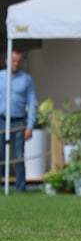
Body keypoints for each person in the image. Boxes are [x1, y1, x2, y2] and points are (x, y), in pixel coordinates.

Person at [0, 49, 38, 192]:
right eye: (13, 61)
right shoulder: (0, 76)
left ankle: (21, 187)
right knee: (0, 155)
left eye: (18, 61)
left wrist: (30, 126)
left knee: (18, 156)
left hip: (18, 121)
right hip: (1, 120)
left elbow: (32, 103)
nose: (16, 64)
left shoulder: (26, 79)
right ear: (7, 61)